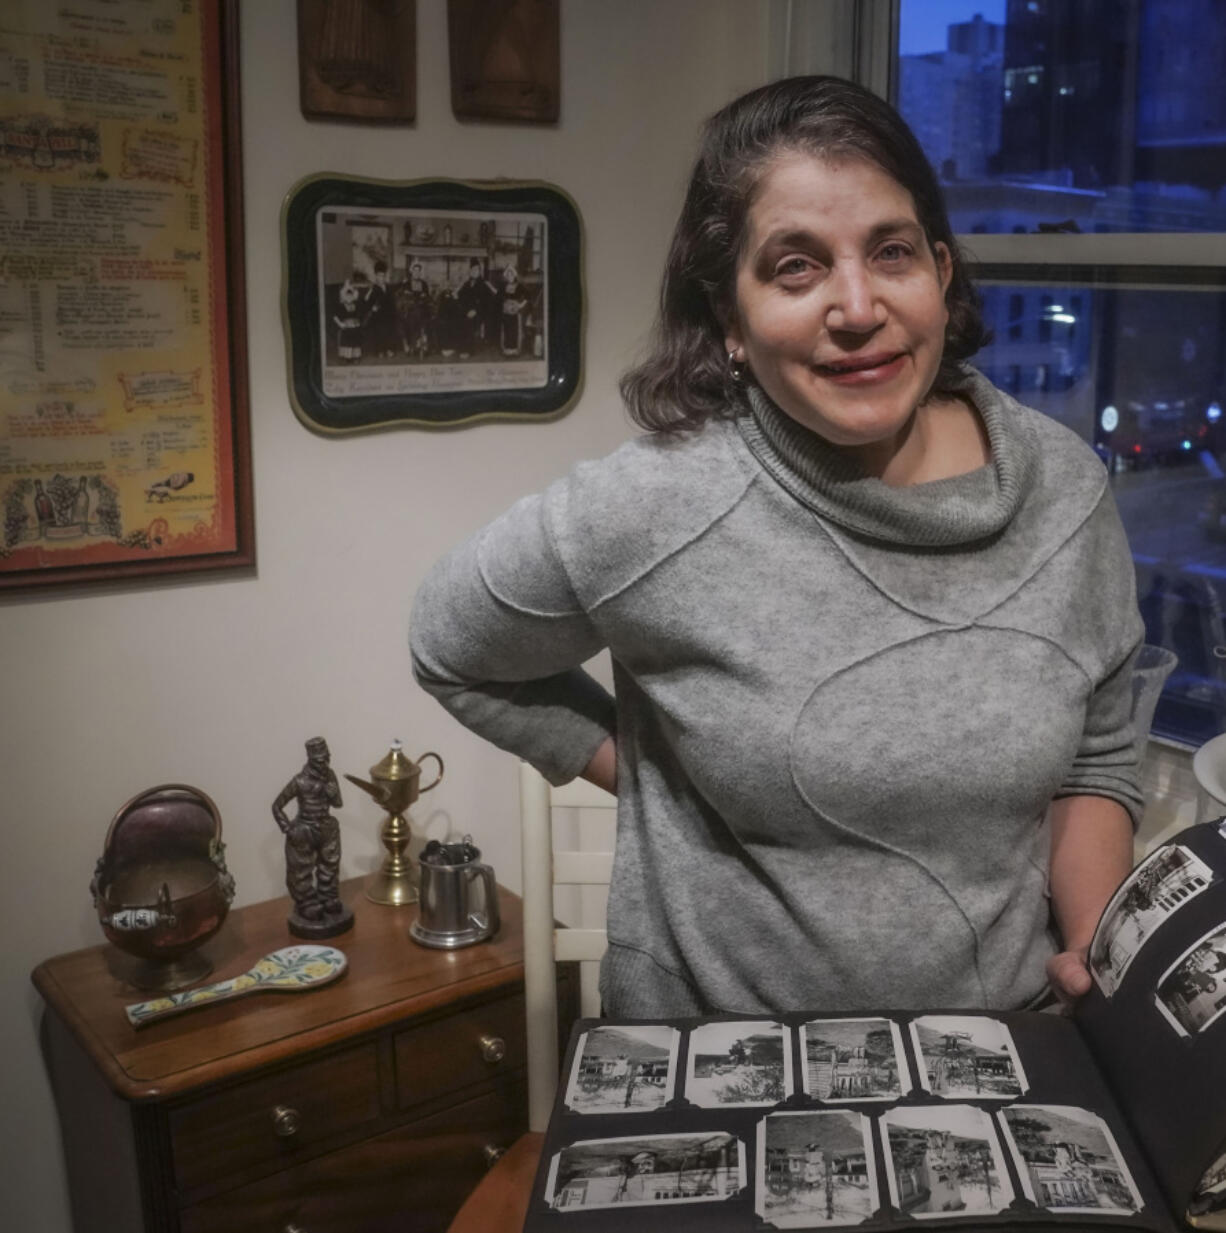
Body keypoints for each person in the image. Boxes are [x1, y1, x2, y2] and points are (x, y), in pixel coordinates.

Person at [410, 76, 1143, 1019]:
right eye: (796, 267)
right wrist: (651, 766)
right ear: (729, 320)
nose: (857, 305)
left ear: (942, 272)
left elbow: (1099, 751)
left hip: (1004, 1048)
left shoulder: (1066, 490)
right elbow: (450, 646)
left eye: (892, 252)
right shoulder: (655, 506)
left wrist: (1093, 947)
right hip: (725, 1066)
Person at [271, 736, 353, 936]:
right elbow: (277, 806)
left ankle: (328, 896)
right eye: (320, 760)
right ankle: (307, 902)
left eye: (327, 758)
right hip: (305, 828)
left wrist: (333, 794)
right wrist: (288, 828)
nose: (325, 763)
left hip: (326, 827)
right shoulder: (299, 781)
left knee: (330, 864)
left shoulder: (330, 775)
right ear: (310, 759)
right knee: (301, 869)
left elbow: (339, 804)